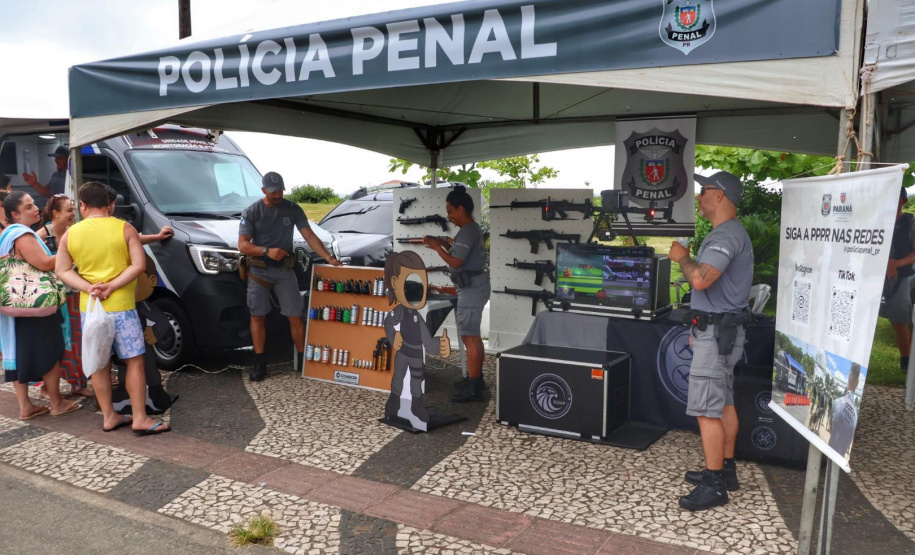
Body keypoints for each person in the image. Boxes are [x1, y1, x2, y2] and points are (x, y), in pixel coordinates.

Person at [667, 170, 754, 512]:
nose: (700, 196)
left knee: (706, 411)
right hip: (721, 332)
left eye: (704, 191)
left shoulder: (726, 236)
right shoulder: (729, 233)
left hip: (718, 336)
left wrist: (682, 258)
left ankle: (715, 483)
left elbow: (702, 280)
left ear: (720, 195)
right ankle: (727, 469)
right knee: (724, 403)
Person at [55, 181, 169, 435]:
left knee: (99, 364)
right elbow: (138, 265)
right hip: (123, 308)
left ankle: (109, 416)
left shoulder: (71, 234)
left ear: (82, 205)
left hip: (91, 309)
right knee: (135, 362)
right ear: (110, 205)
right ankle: (140, 418)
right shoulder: (125, 228)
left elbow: (62, 270)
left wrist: (89, 287)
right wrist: (112, 285)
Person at [238, 171, 341, 382]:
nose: (278, 195)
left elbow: (309, 235)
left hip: (285, 270)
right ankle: (259, 361)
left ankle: (304, 359)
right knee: (258, 315)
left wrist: (329, 258)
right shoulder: (252, 211)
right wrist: (267, 251)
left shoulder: (292, 208)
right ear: (264, 190)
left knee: (295, 315)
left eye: (281, 191)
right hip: (258, 270)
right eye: (273, 192)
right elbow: (243, 245)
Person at [0, 191, 81, 420]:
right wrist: (70, 251)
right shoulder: (23, 235)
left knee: (17, 352)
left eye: (34, 204)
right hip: (34, 304)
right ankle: (56, 402)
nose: (35, 208)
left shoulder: (8, 233)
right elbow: (44, 264)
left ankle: (26, 406)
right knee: (50, 350)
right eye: (28, 207)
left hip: (15, 304)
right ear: (15, 214)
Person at [422, 185, 490, 403]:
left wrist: (435, 247)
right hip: (470, 287)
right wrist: (444, 243)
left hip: (471, 288)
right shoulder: (470, 230)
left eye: (450, 211)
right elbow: (460, 254)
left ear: (461, 209)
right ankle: (474, 379)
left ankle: (474, 387)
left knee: (470, 337)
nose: (449, 216)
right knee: (468, 335)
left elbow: (456, 261)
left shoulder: (469, 229)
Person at [882, 187, 915, 372]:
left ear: (903, 200)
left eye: (896, 197)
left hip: (899, 278)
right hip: (874, 278)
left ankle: (907, 361)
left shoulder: (910, 223)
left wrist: (896, 263)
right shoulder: (879, 221)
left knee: (900, 320)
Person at [827, 363, 861, 458]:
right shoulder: (856, 416)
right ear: (857, 382)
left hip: (830, 452)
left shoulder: (837, 402)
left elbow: (830, 429)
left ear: (850, 376)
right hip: (841, 459)